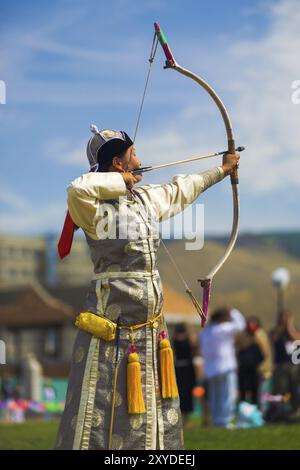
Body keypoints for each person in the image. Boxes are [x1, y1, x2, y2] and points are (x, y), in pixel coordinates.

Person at [55, 125, 239, 450]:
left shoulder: (145, 199)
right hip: (110, 334)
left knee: (152, 421)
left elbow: (183, 188)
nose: (140, 160)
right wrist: (119, 182)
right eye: (133, 154)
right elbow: (75, 190)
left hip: (151, 334)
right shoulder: (92, 207)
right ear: (118, 163)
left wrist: (222, 170)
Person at [199, 307, 246, 427]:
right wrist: (233, 311)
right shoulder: (222, 329)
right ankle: (225, 420)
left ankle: (216, 419)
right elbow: (241, 325)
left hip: (211, 369)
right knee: (227, 395)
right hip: (225, 368)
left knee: (215, 397)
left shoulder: (205, 332)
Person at [236, 316, 273, 407]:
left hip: (259, 370)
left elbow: (265, 353)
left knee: (257, 394)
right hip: (244, 369)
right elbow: (237, 349)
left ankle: (258, 414)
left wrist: (256, 337)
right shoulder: (242, 336)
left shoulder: (261, 335)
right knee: (243, 392)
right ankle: (243, 413)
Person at [270, 310, 300, 416]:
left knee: (294, 389)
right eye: (283, 317)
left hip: (294, 365)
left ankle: (295, 410)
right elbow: (273, 338)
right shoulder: (276, 331)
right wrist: (282, 327)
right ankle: (278, 411)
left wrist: (290, 326)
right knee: (280, 389)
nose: (285, 319)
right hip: (280, 366)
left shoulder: (294, 329)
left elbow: (297, 338)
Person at [173, 323, 196, 426]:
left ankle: (182, 419)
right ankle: (186, 420)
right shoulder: (189, 339)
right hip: (187, 368)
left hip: (179, 368)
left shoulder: (174, 339)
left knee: (181, 393)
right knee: (187, 394)